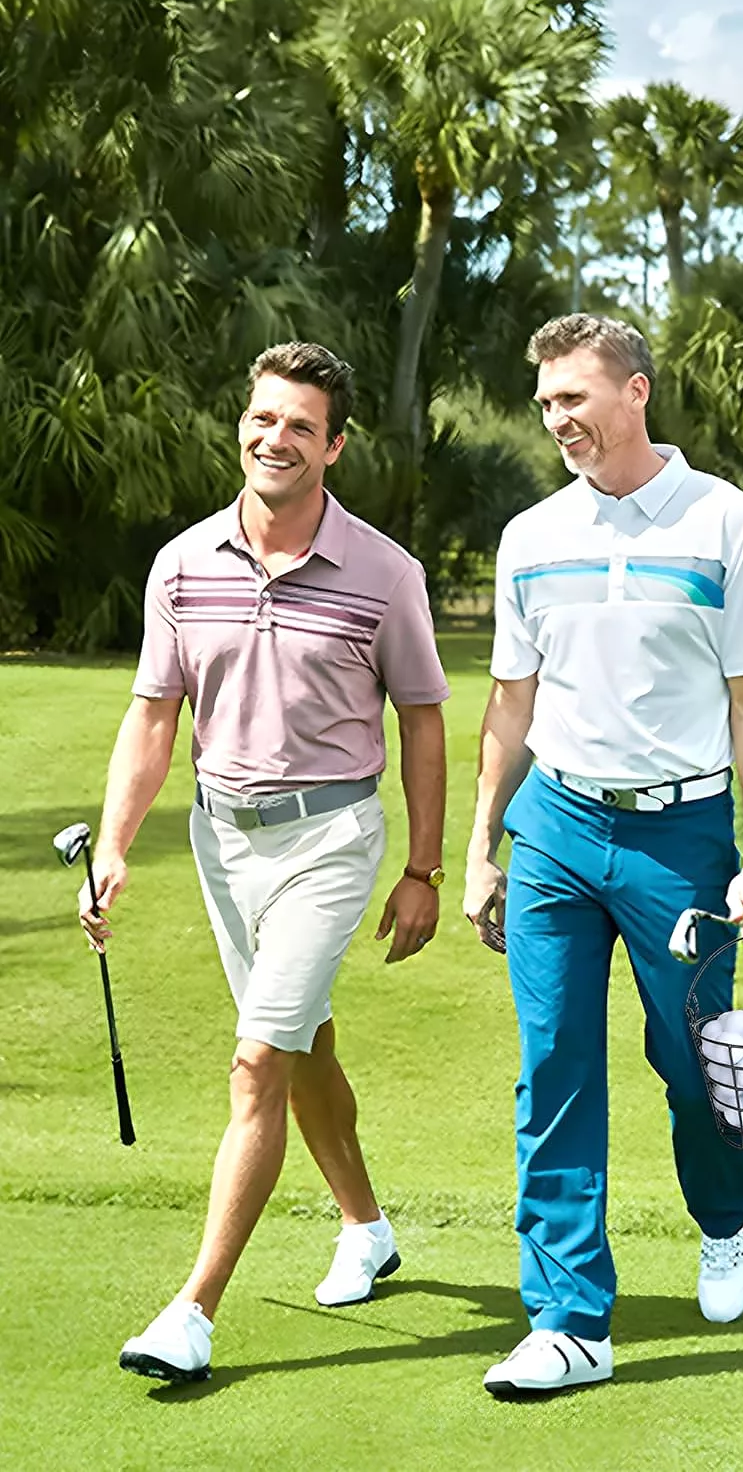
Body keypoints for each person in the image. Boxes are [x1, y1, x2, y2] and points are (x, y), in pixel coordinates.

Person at [80, 342, 450, 1385]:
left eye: (299, 425)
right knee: (302, 1046)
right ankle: (368, 1227)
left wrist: (421, 868)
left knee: (256, 1062)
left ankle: (192, 1313)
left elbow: (422, 721)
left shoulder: (385, 573)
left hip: (331, 838)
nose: (273, 438)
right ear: (240, 426)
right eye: (262, 419)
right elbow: (153, 717)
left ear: (334, 445)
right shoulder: (184, 562)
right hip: (220, 840)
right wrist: (113, 845)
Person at [463, 313, 743, 1396]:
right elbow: (509, 708)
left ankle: (727, 1209)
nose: (558, 419)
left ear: (637, 392)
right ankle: (570, 1320)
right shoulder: (532, 537)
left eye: (575, 397)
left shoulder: (727, 525)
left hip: (681, 837)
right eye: (547, 403)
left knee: (694, 1062)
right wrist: (481, 850)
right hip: (557, 828)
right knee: (555, 1066)